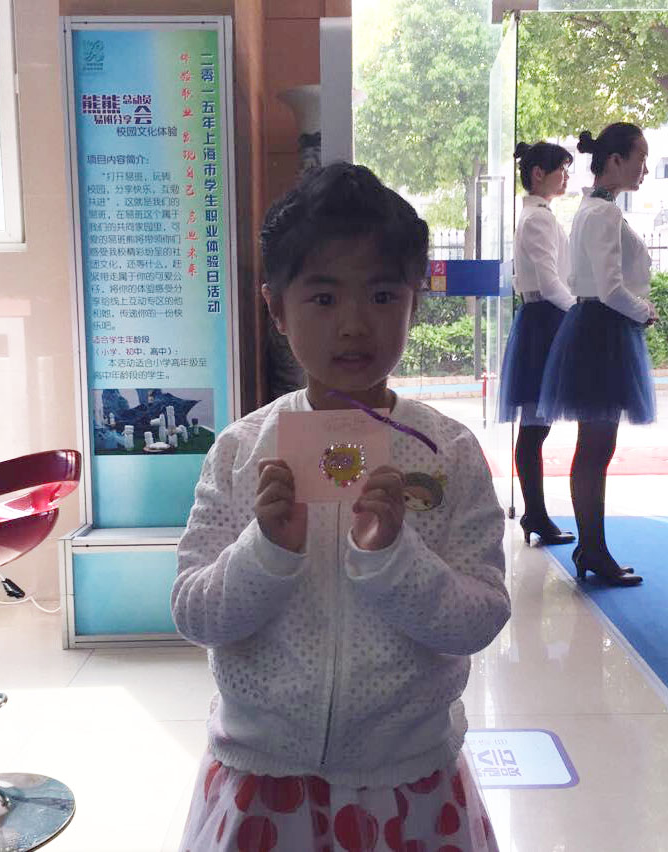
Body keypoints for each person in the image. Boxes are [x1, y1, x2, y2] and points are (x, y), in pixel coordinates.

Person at [171, 162, 510, 851]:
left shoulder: (447, 452)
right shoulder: (240, 451)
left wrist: (394, 558)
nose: (354, 325)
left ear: (415, 302)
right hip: (262, 776)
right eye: (323, 298)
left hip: (409, 781)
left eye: (383, 295)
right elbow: (194, 613)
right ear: (276, 307)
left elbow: (480, 619)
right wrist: (266, 550)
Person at [539, 123, 657, 587]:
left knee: (594, 448)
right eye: (640, 157)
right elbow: (611, 289)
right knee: (595, 449)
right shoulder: (603, 213)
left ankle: (593, 547)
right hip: (603, 332)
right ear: (615, 160)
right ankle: (593, 549)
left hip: (594, 329)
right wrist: (645, 311)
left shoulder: (593, 208)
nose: (644, 167)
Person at [499, 141, 577, 547]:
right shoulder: (538, 219)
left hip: (542, 320)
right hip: (545, 321)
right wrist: (580, 314)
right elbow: (550, 283)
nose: (566, 177)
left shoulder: (537, 216)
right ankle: (536, 514)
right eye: (561, 169)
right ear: (538, 174)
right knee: (534, 429)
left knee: (535, 427)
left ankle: (537, 514)